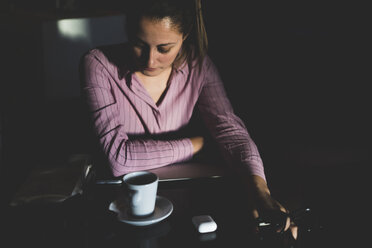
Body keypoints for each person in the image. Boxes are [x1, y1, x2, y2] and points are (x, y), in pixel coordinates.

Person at [80, 0, 297, 238]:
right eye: (138, 44)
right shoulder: (98, 64)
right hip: (118, 211)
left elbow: (233, 134)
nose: (149, 61)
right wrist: (197, 144)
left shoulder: (199, 64)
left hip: (181, 207)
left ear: (185, 35)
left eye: (164, 48)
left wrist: (261, 193)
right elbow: (119, 160)